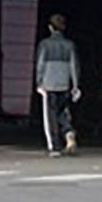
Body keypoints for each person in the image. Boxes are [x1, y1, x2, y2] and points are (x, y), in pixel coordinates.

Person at [35, 13, 81, 157]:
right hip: (64, 83)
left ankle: (54, 146)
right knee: (63, 112)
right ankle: (68, 132)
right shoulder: (70, 45)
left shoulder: (44, 44)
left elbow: (40, 64)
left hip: (49, 83)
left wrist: (39, 82)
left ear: (50, 27)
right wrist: (75, 84)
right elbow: (74, 65)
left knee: (51, 117)